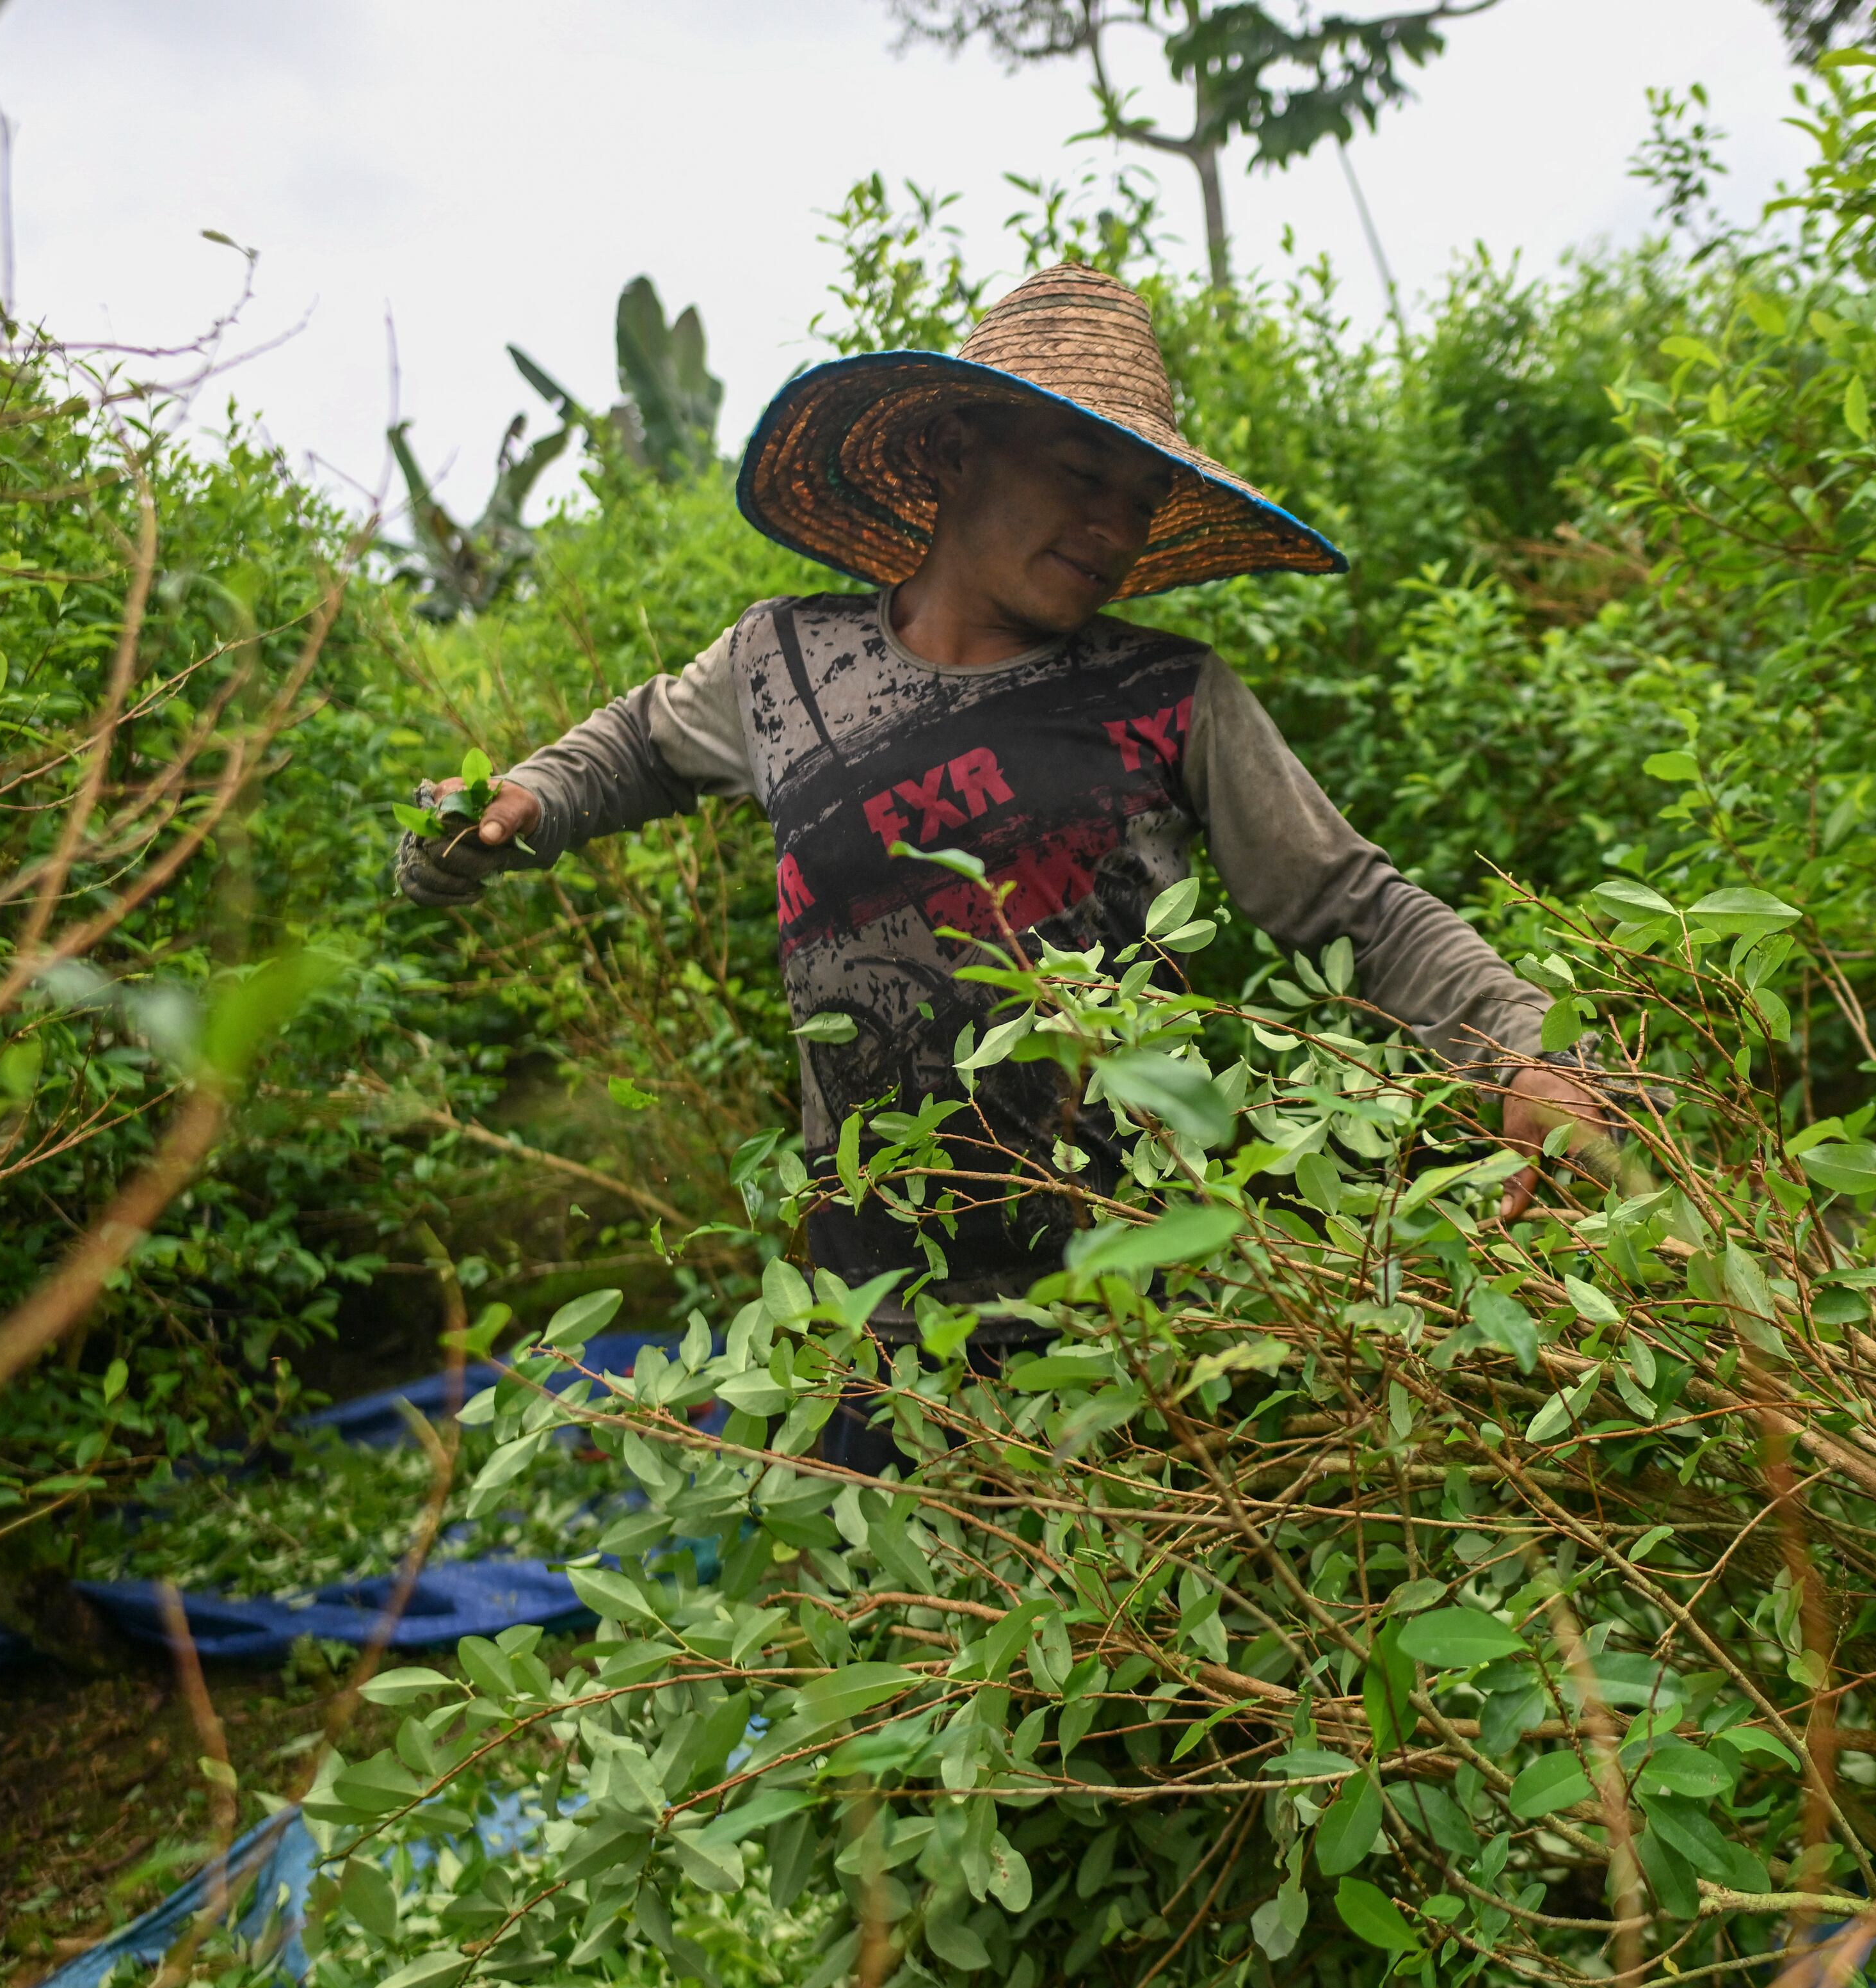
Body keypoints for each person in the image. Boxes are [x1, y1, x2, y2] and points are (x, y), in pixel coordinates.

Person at [396, 264, 1607, 1458]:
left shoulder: (1168, 698)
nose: (1113, 526)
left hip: (1131, 1334)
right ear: (955, 449)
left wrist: (1528, 1045)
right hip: (874, 1333)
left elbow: (1355, 905)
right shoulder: (782, 666)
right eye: (1082, 470)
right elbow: (637, 748)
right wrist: (519, 805)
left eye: (1140, 497)